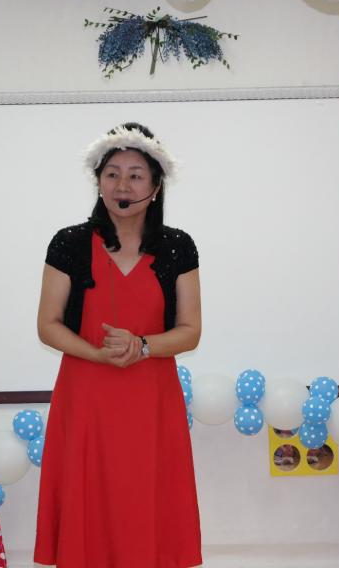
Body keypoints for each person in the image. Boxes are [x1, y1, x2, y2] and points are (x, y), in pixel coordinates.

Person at [34, 123, 203, 568]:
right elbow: (48, 325)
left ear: (156, 186)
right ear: (98, 181)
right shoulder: (69, 243)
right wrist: (97, 354)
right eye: (112, 174)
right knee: (88, 508)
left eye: (135, 175)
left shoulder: (178, 247)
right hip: (86, 396)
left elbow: (190, 331)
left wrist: (142, 346)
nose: (122, 185)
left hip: (151, 400)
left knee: (147, 505)